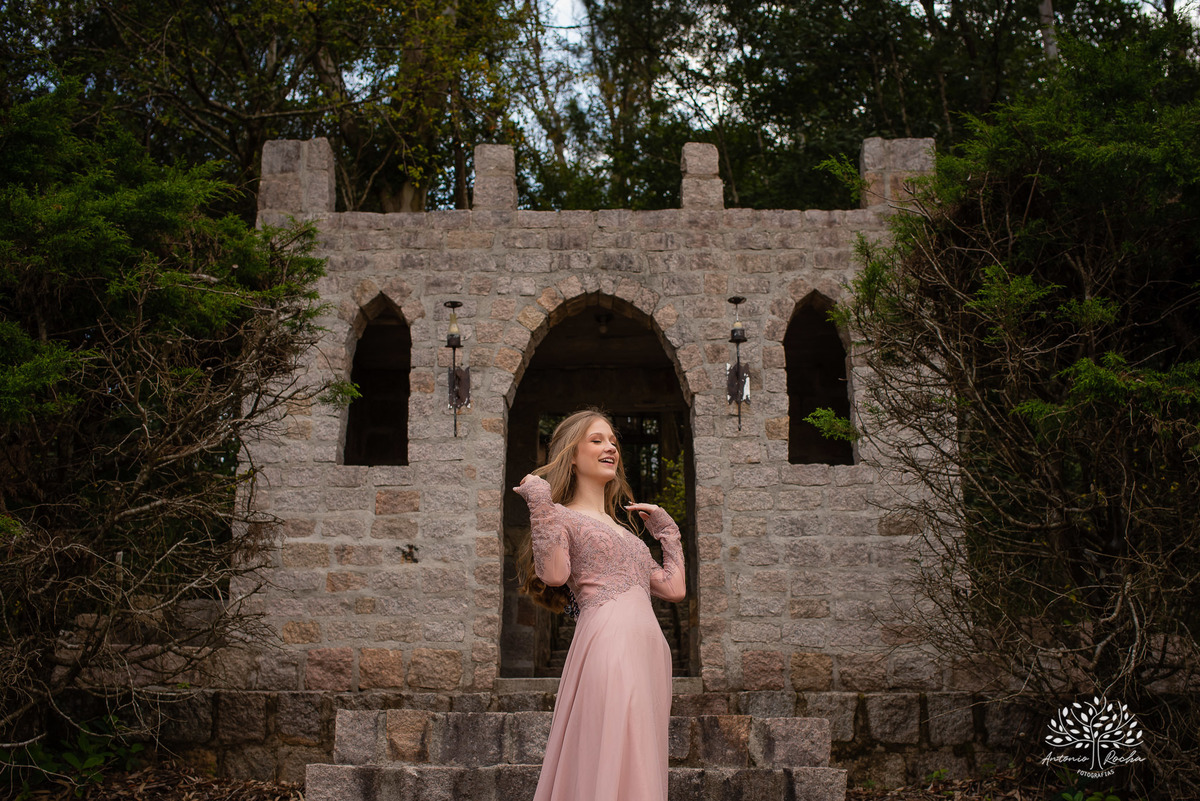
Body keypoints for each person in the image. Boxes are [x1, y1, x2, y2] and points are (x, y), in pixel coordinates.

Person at [513, 409, 686, 801]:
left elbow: (673, 588)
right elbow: (555, 574)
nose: (610, 447)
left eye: (612, 441)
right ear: (572, 455)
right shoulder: (560, 516)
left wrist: (667, 532)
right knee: (608, 754)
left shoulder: (623, 529)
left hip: (649, 653)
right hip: (608, 644)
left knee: (638, 760)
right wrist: (540, 506)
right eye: (597, 440)